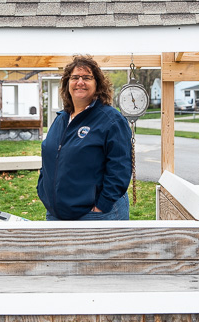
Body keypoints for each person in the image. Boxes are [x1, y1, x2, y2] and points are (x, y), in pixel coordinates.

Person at [37, 55, 132, 220]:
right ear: (68, 83)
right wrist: (43, 190)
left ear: (98, 84)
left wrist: (102, 205)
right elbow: (51, 156)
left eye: (87, 77)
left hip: (94, 214)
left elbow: (120, 167)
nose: (80, 82)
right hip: (56, 213)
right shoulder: (61, 118)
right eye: (75, 78)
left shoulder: (111, 119)